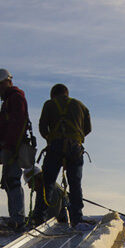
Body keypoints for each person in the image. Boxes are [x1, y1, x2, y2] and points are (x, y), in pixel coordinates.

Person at [38, 83, 91, 225]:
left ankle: (39, 218)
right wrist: (75, 138)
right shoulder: (81, 106)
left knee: (47, 183)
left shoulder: (49, 104)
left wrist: (51, 139)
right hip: (75, 148)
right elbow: (88, 128)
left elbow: (42, 128)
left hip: (55, 146)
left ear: (53, 95)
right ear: (66, 93)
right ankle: (77, 219)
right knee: (75, 184)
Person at [0, 68, 30, 227]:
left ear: (9, 81)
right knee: (9, 181)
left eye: (1, 84)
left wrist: (10, 147)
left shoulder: (16, 98)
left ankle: (18, 219)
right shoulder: (9, 100)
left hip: (14, 146)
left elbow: (18, 123)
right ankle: (16, 217)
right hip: (9, 145)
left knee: (13, 180)